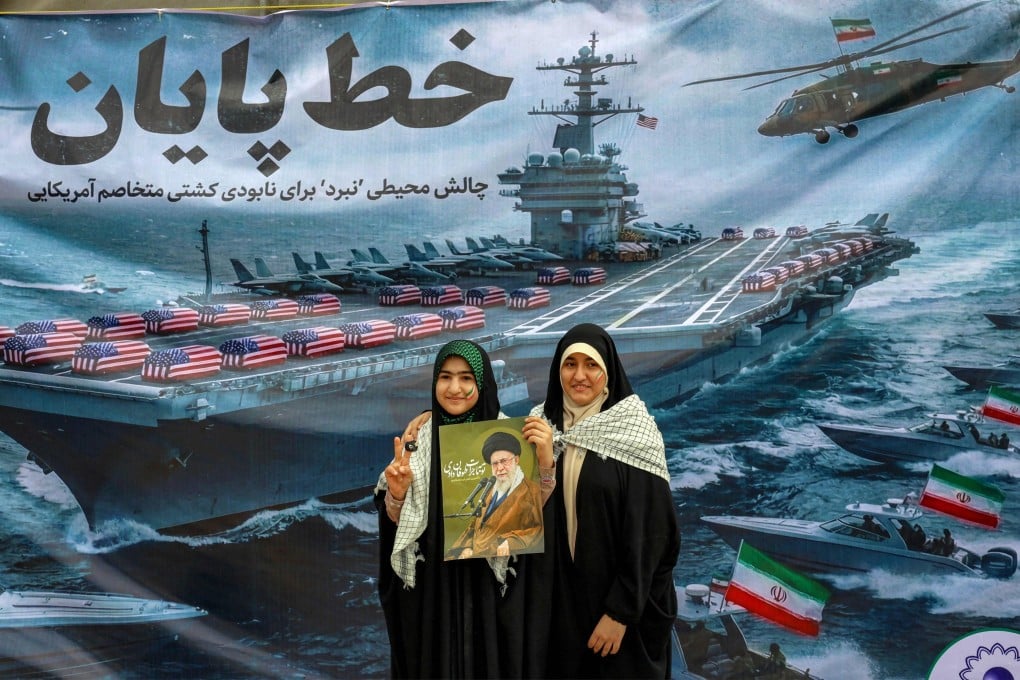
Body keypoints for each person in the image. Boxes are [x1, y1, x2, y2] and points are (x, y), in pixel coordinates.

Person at [375, 339, 556, 678]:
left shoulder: (512, 437)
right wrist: (396, 495)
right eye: (445, 377)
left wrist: (544, 465)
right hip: (434, 597)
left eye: (466, 378)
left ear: (482, 383)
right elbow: (400, 527)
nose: (454, 388)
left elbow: (534, 514)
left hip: (491, 596)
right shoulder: (418, 441)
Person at [534, 323, 681, 678]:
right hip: (562, 607)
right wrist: (429, 418)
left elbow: (653, 533)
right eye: (570, 364)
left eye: (591, 365)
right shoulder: (540, 428)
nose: (579, 376)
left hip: (621, 615)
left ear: (608, 371)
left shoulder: (634, 431)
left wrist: (620, 613)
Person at [447, 431, 544, 559]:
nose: (499, 468)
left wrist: (511, 542)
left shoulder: (533, 492)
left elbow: (539, 530)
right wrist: (466, 548)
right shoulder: (489, 490)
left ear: (516, 460)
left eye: (504, 461)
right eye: (495, 463)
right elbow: (476, 525)